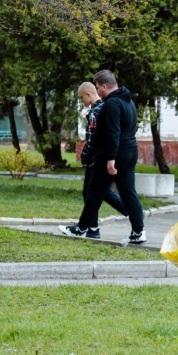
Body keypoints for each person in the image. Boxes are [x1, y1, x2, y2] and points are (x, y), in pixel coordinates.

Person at [60, 71, 146, 244]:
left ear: (105, 86)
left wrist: (111, 158)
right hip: (130, 151)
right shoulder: (128, 102)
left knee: (95, 191)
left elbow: (113, 133)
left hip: (114, 154)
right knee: (128, 192)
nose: (98, 91)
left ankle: (82, 228)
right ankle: (138, 232)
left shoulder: (112, 104)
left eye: (98, 87)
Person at [76, 81, 129, 238]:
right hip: (101, 158)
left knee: (91, 193)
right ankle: (93, 228)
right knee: (99, 192)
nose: (81, 102)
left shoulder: (96, 111)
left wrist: (85, 154)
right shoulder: (102, 108)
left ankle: (93, 229)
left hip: (95, 159)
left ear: (88, 94)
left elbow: (93, 139)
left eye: (81, 98)